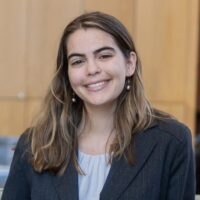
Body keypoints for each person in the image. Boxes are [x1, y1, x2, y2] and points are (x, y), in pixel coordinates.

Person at [2, 11, 195, 200]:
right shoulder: (34, 143)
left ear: (130, 63)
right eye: (78, 61)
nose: (92, 69)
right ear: (67, 76)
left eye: (104, 56)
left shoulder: (172, 141)